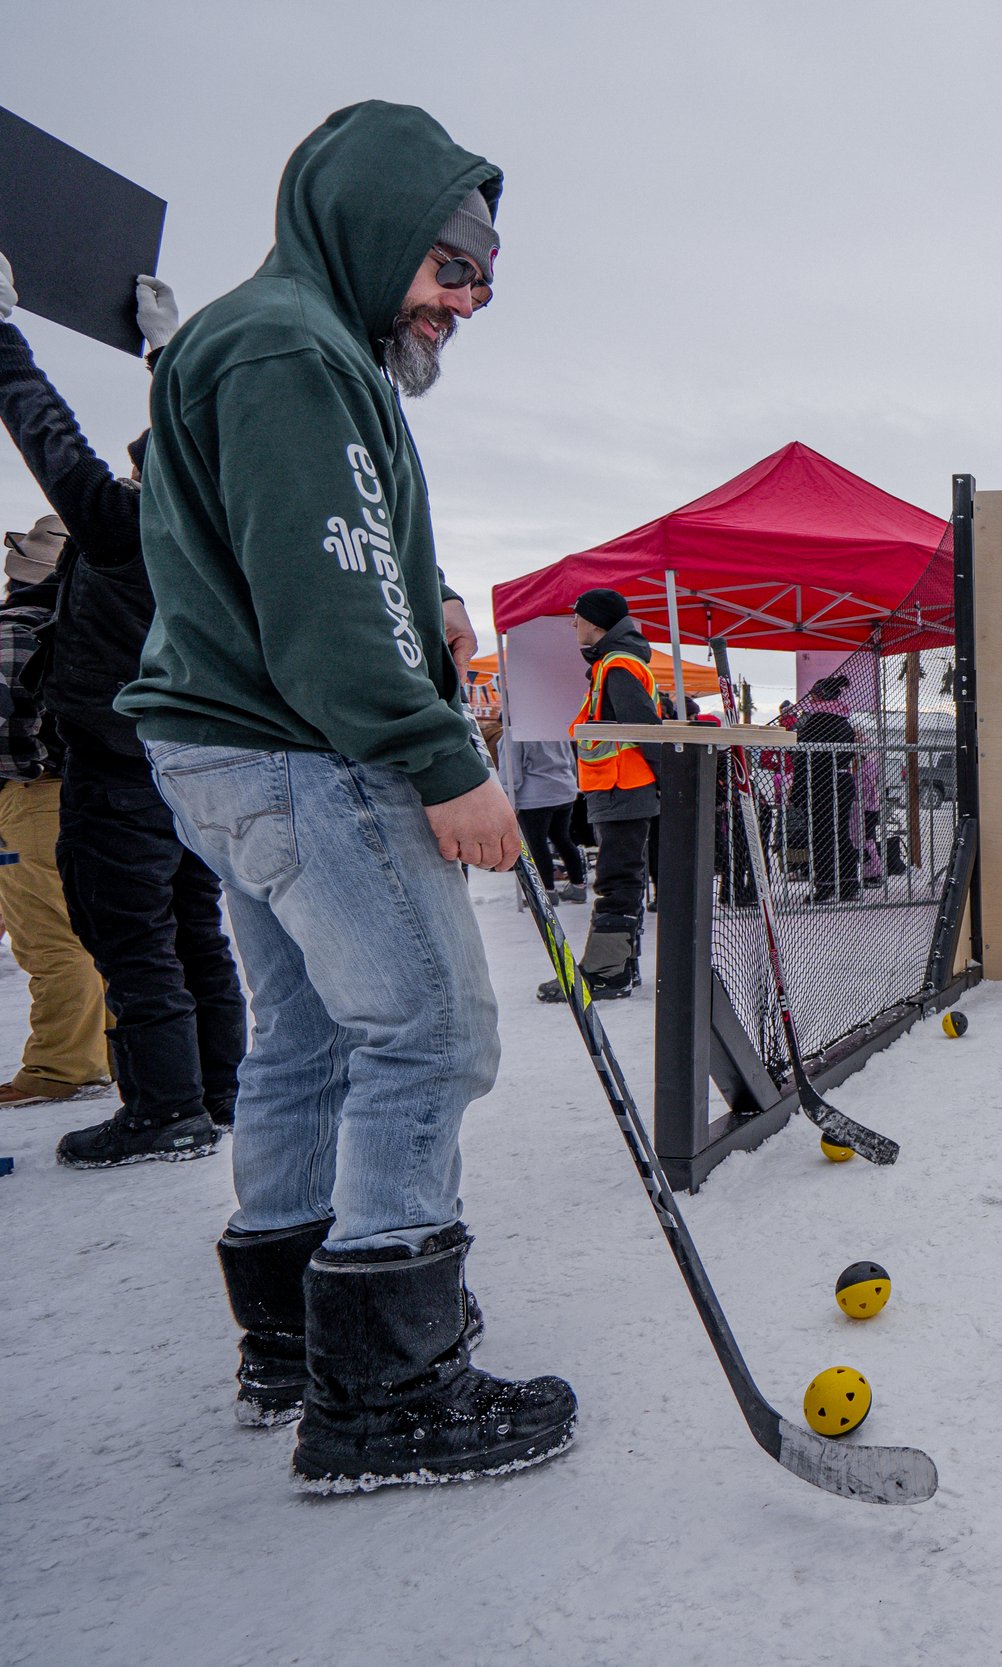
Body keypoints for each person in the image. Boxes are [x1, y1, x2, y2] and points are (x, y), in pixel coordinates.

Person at [120, 100, 574, 1488]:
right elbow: (318, 604)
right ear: (376, 233)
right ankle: (389, 1392)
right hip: (304, 751)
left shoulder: (300, 345)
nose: (467, 301)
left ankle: (296, 1335)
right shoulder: (287, 348)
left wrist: (425, 595)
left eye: (484, 280)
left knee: (313, 1034)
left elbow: (329, 551)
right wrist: (445, 760)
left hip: (239, 747)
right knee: (429, 1032)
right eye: (451, 268)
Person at [0, 260, 252, 1167]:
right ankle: (222, 1091)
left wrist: (2, 338)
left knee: (131, 940)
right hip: (194, 768)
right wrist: (168, 350)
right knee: (196, 933)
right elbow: (208, 432)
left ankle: (164, 1111)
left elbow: (48, 434)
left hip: (113, 767)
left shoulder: (123, 526)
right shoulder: (223, 538)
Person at [0, 514, 113, 1114]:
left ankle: (61, 1067)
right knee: (100, 931)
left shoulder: (17, 625)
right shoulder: (93, 621)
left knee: (48, 939)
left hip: (31, 793)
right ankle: (118, 1053)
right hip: (90, 793)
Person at [537, 587, 660, 1002]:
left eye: (578, 616)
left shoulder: (617, 664)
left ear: (596, 622)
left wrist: (666, 781)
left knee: (617, 879)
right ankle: (621, 969)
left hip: (622, 786)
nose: (573, 623)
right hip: (619, 787)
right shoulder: (615, 662)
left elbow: (643, 730)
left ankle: (606, 973)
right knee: (624, 877)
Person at [499, 734, 587, 904]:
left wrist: (508, 794)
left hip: (535, 796)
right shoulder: (553, 728)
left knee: (536, 844)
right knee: (562, 839)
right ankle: (578, 886)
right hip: (565, 790)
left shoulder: (514, 733)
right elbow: (571, 761)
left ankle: (546, 891)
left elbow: (511, 770)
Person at [797, 672, 861, 901]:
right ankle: (848, 884)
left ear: (822, 696)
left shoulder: (818, 720)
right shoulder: (844, 720)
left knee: (822, 835)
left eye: (813, 695)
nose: (811, 700)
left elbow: (803, 755)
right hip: (842, 783)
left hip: (822, 784)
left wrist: (798, 789)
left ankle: (825, 885)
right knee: (841, 834)